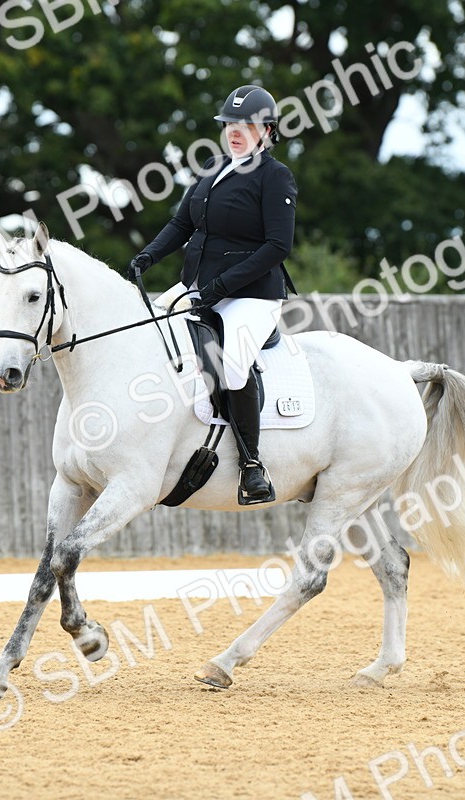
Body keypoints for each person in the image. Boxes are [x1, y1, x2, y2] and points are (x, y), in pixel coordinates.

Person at [128, 85, 297, 506]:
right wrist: (146, 257)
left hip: (251, 296)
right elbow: (182, 224)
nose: (235, 132)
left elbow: (278, 246)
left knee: (233, 364)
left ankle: (252, 465)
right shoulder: (213, 167)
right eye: (229, 125)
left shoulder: (275, 176)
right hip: (197, 287)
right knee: (143, 331)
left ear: (267, 129)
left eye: (245, 125)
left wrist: (219, 289)